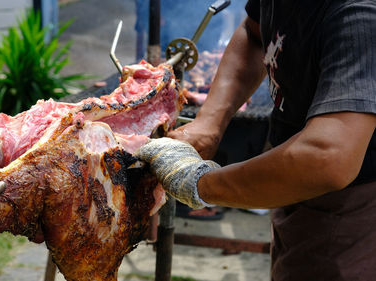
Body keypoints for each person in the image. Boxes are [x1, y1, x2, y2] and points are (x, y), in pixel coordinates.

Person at [136, 0, 376, 280]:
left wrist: (198, 183)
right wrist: (209, 122)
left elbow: (327, 158)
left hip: (357, 204)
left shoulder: (361, 16)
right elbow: (254, 33)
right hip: (301, 186)